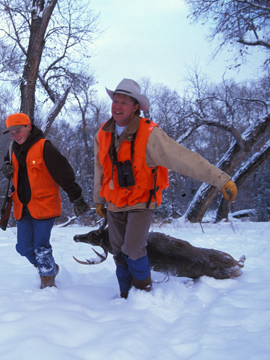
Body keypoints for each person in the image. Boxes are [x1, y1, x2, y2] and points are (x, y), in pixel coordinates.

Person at [94, 79, 238, 298]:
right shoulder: (102, 133)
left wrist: (219, 179)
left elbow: (184, 159)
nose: (118, 106)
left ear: (135, 107)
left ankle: (143, 293)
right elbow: (99, 168)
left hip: (142, 201)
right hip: (114, 202)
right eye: (115, 100)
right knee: (118, 251)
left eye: (124, 102)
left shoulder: (150, 134)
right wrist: (99, 199)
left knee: (133, 249)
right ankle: (125, 296)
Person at [1, 112, 90, 289]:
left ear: (29, 127)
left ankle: (48, 284)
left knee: (41, 247)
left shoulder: (44, 147)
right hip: (22, 207)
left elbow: (64, 173)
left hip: (44, 205)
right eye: (12, 133)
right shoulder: (12, 148)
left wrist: (76, 197)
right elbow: (7, 162)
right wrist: (5, 167)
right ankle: (49, 267)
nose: (16, 136)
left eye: (18, 131)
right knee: (24, 248)